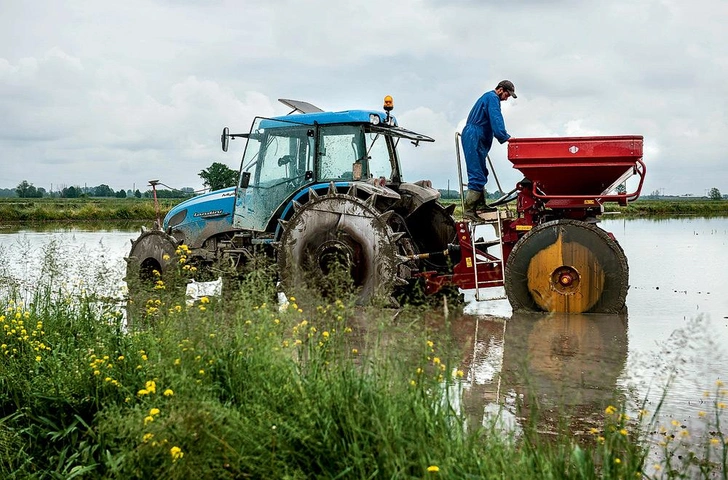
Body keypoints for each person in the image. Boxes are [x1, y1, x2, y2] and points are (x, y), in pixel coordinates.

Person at [461, 80, 516, 221]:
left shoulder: (489, 97)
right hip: (474, 135)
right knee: (476, 172)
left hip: (477, 136)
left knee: (482, 172)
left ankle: (480, 206)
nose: (507, 98)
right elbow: (496, 118)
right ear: (500, 89)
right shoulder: (492, 98)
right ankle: (469, 210)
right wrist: (505, 137)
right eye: (507, 95)